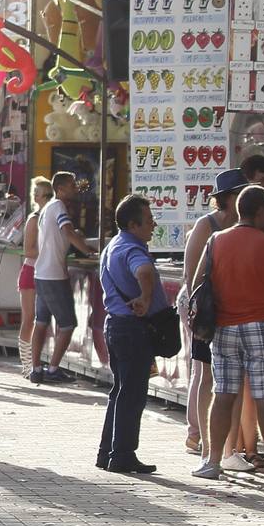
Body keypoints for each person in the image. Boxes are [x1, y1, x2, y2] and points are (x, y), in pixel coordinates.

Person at [192, 185, 264, 481]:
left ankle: (213, 462)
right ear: (262, 212)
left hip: (224, 327)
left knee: (223, 394)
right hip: (263, 327)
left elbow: (198, 283)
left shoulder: (215, 240)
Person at [96, 194, 167, 475]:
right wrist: (146, 300)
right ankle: (123, 454)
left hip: (116, 325)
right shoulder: (133, 249)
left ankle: (108, 452)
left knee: (120, 392)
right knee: (131, 394)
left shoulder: (112, 245)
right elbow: (145, 271)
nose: (153, 225)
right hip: (131, 328)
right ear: (133, 224)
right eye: (149, 221)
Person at [181, 168, 246, 459]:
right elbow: (190, 274)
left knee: (225, 379)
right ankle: (200, 437)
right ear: (228, 198)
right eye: (240, 193)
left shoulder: (244, 226)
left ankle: (223, 444)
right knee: (205, 373)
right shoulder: (206, 225)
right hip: (206, 309)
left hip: (233, 310)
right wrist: (201, 309)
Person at [29, 172, 98, 384]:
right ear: (60, 188)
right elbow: (67, 231)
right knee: (67, 324)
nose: (75, 188)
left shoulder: (47, 208)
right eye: (70, 185)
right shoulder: (58, 206)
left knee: (40, 322)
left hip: (42, 273)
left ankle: (36, 368)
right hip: (54, 275)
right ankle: (53, 369)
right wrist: (87, 251)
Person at [17, 177, 53, 372]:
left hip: (47, 271)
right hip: (32, 271)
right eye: (37, 193)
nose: (40, 197)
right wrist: (50, 252)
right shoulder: (34, 219)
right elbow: (28, 250)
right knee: (29, 317)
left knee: (43, 318)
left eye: (46, 194)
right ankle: (26, 364)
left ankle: (36, 361)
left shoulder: (51, 217)